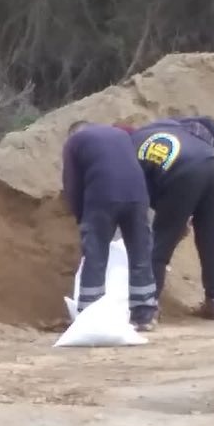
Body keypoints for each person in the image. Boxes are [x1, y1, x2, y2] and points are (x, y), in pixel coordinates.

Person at [122, 116, 214, 320]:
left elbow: (142, 194)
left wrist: (174, 217)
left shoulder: (128, 151)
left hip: (180, 173)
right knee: (211, 238)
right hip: (210, 163)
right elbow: (207, 122)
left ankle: (148, 306)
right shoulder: (167, 124)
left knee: (160, 243)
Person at [61, 121, 158, 331]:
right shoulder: (120, 135)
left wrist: (80, 215)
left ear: (73, 134)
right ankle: (144, 315)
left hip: (102, 197)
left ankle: (89, 314)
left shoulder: (74, 142)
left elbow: (72, 183)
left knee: (95, 255)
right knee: (140, 253)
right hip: (138, 196)